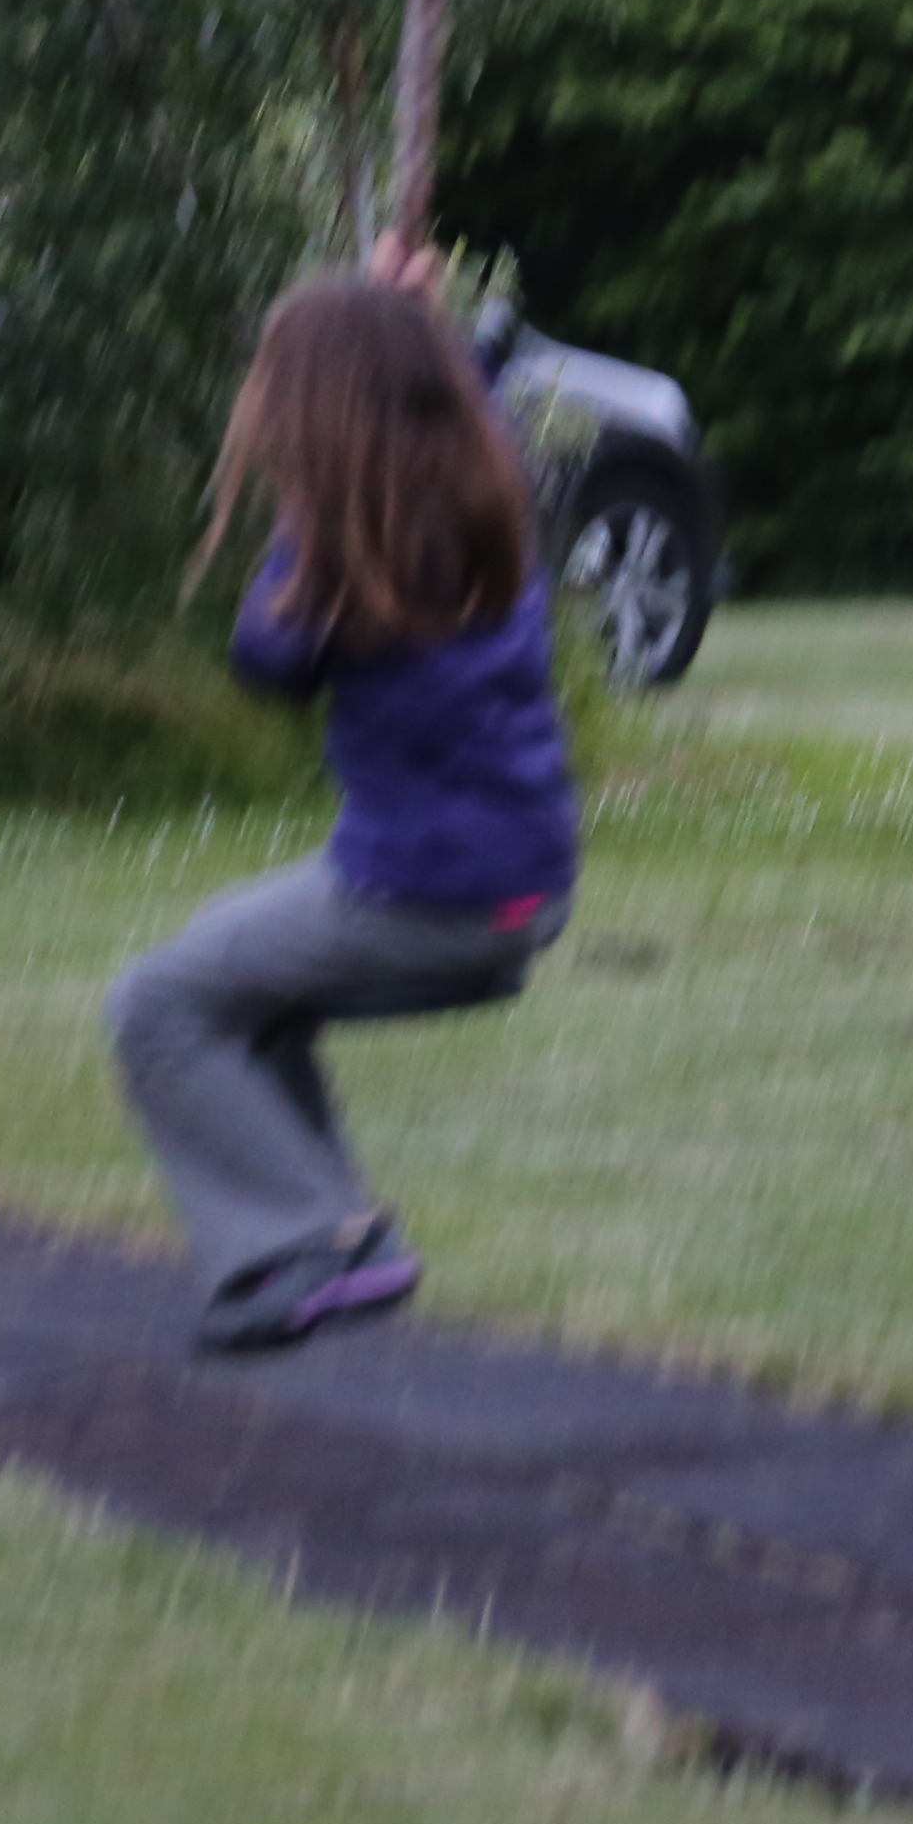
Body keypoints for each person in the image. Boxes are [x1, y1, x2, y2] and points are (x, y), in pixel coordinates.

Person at [110, 241, 578, 1355]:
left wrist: (304, 504)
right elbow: (451, 407)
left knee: (156, 1009)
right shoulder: (483, 490)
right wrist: (420, 336)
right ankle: (330, 1237)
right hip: (518, 878)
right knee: (224, 981)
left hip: (421, 896)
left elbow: (265, 663)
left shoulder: (348, 543)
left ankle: (315, 1239)